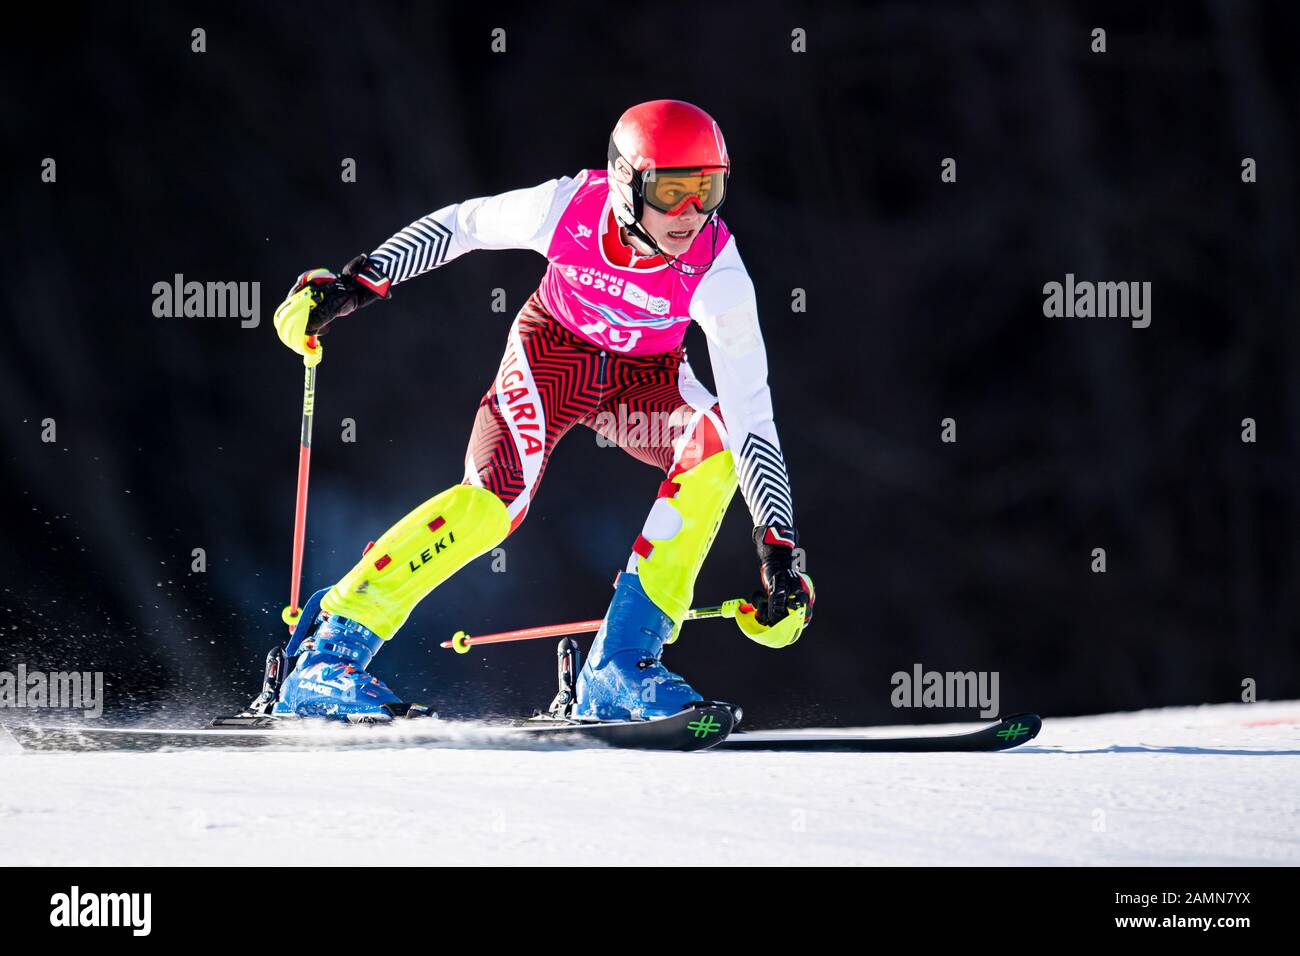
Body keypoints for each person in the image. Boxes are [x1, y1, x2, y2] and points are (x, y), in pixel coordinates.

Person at [270, 99, 813, 720]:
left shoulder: (717, 268)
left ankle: (621, 669)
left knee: (717, 447)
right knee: (492, 504)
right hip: (551, 356)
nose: (690, 214)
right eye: (671, 191)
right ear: (626, 182)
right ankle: (327, 653)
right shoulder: (568, 208)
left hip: (644, 381)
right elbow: (462, 225)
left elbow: (752, 415)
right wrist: (359, 282)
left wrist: (778, 550)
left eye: (707, 189)